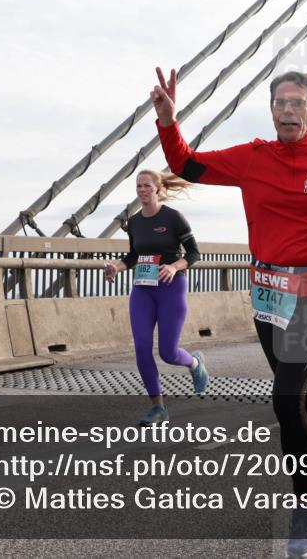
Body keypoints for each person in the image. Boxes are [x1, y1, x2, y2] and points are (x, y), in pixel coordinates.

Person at [152, 68, 307, 556]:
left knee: (284, 400)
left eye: (298, 103)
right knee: (301, 397)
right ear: (272, 110)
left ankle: (304, 513)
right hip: (268, 289)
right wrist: (168, 121)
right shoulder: (253, 157)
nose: (288, 111)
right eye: (280, 103)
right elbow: (186, 164)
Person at [104, 170, 209, 426]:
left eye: (147, 186)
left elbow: (195, 253)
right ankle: (158, 407)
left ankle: (195, 363)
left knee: (168, 352)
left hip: (170, 288)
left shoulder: (173, 217)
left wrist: (174, 267)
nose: (142, 190)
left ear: (158, 189)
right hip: (143, 289)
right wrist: (116, 268)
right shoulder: (135, 222)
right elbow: (133, 256)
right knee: (141, 347)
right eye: (138, 186)